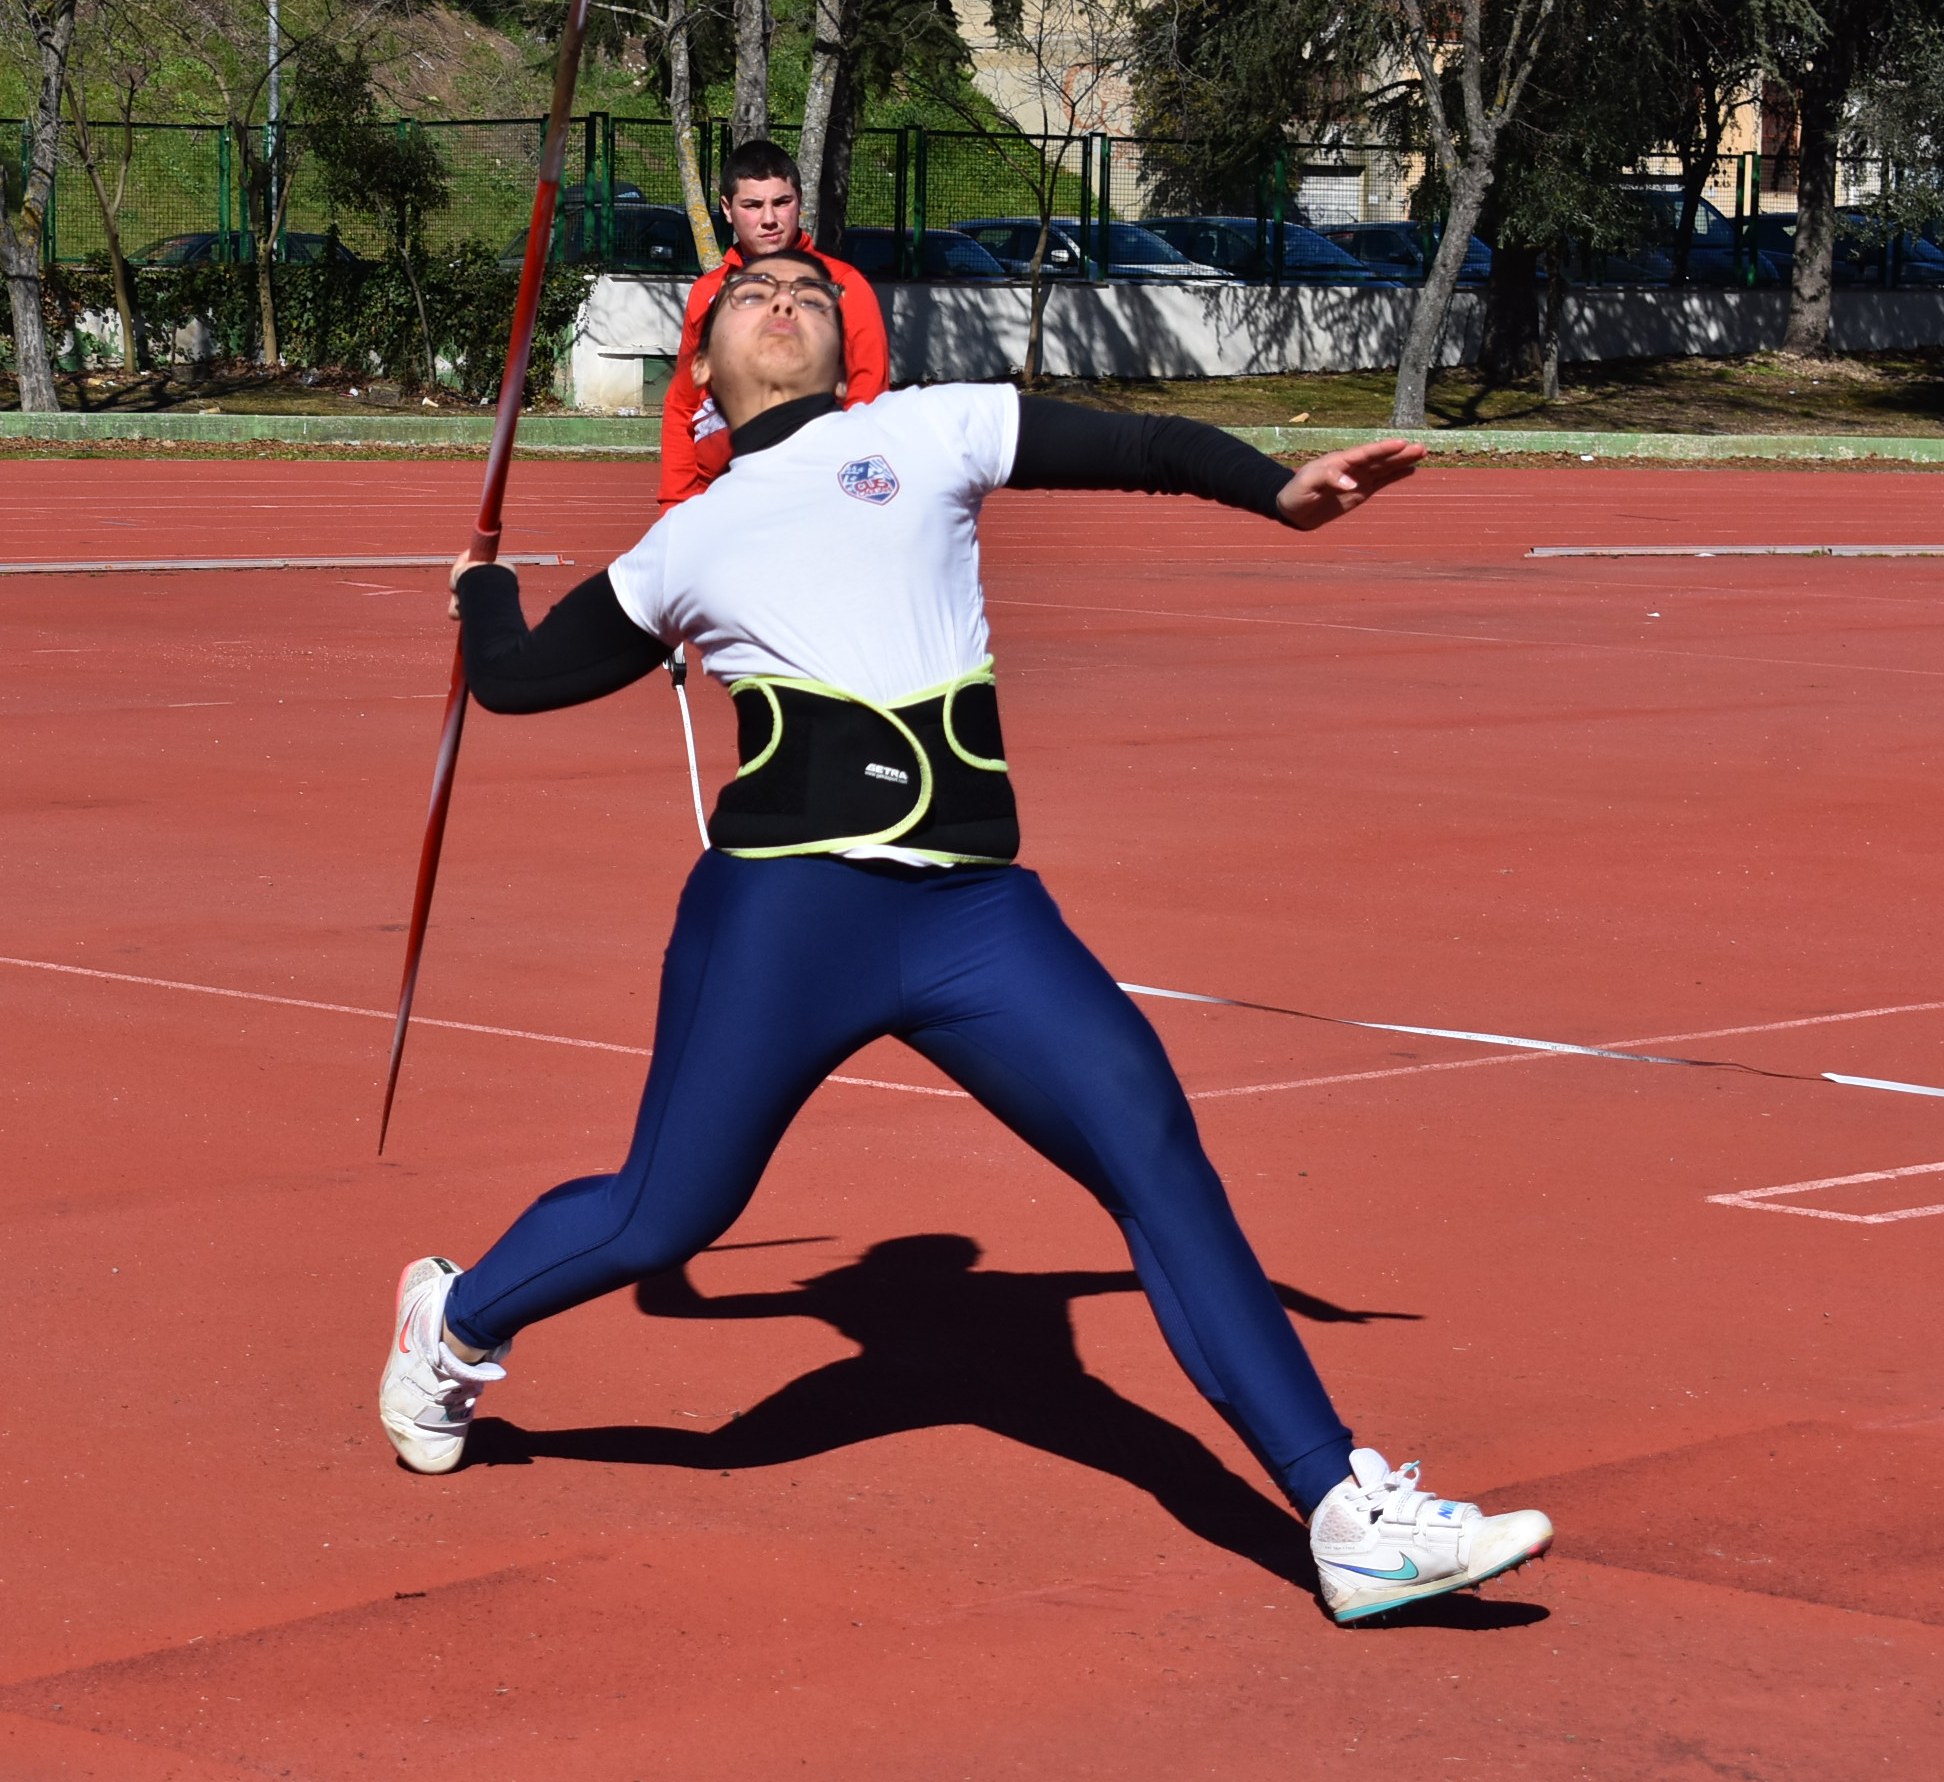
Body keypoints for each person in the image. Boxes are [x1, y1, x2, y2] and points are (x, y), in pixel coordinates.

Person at [383, 248, 1554, 1626]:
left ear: (848, 349)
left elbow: (1143, 446)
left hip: (975, 916)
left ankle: (1344, 1511)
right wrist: (481, 588)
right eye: (751, 295)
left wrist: (1277, 491)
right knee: (668, 1213)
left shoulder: (926, 429)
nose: (783, 300)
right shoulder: (687, 541)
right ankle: (455, 1320)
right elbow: (518, 681)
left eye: (809, 292)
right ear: (699, 371)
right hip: (787, 912)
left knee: (1153, 1153)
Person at [658, 139, 888, 506]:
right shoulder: (708, 292)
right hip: (720, 496)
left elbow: (867, 400)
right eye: (752, 205)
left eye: (782, 202)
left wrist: (841, 499)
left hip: (810, 496)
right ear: (727, 209)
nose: (769, 219)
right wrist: (676, 505)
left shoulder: (843, 286)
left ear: (799, 201)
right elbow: (683, 405)